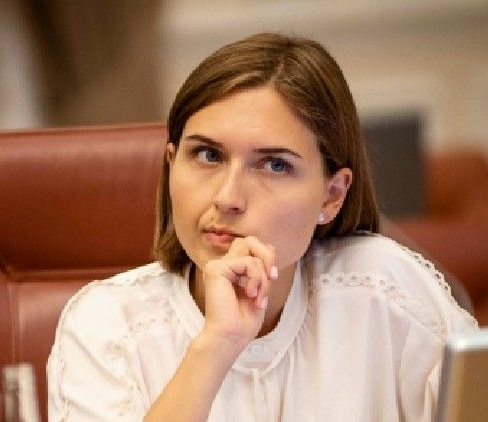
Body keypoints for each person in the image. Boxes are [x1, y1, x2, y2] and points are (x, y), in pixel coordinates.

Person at [46, 32, 477, 421]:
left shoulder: (386, 292)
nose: (227, 198)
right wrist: (217, 344)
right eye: (208, 155)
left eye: (274, 165)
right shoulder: (109, 328)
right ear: (171, 164)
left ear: (332, 195)